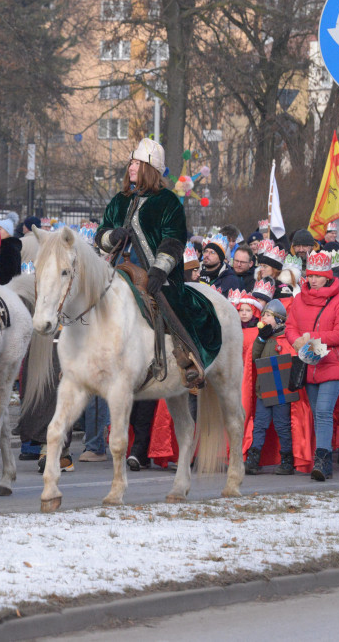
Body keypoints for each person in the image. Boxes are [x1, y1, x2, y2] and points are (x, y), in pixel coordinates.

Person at [95, 137, 221, 387]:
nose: (131, 167)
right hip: (118, 271)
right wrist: (112, 236)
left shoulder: (168, 201)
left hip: (157, 275)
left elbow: (173, 241)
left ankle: (188, 360)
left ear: (149, 168)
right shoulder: (119, 200)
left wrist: (158, 272)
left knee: (170, 303)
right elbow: (101, 235)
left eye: (136, 163)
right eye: (131, 163)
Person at [285, 251, 339, 482]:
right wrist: (296, 341)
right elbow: (290, 326)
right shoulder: (299, 299)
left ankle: (322, 461)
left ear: (328, 277)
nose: (313, 280)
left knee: (323, 412)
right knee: (317, 413)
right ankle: (324, 460)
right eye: (310, 275)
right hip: (309, 362)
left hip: (332, 362)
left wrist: (310, 337)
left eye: (318, 276)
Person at [244, 299, 294, 475]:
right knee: (260, 425)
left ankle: (287, 461)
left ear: (279, 319)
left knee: (282, 425)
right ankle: (253, 460)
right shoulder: (263, 337)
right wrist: (261, 338)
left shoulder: (287, 337)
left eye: (268, 315)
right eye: (263, 315)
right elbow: (254, 356)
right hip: (264, 388)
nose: (263, 318)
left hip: (281, 390)